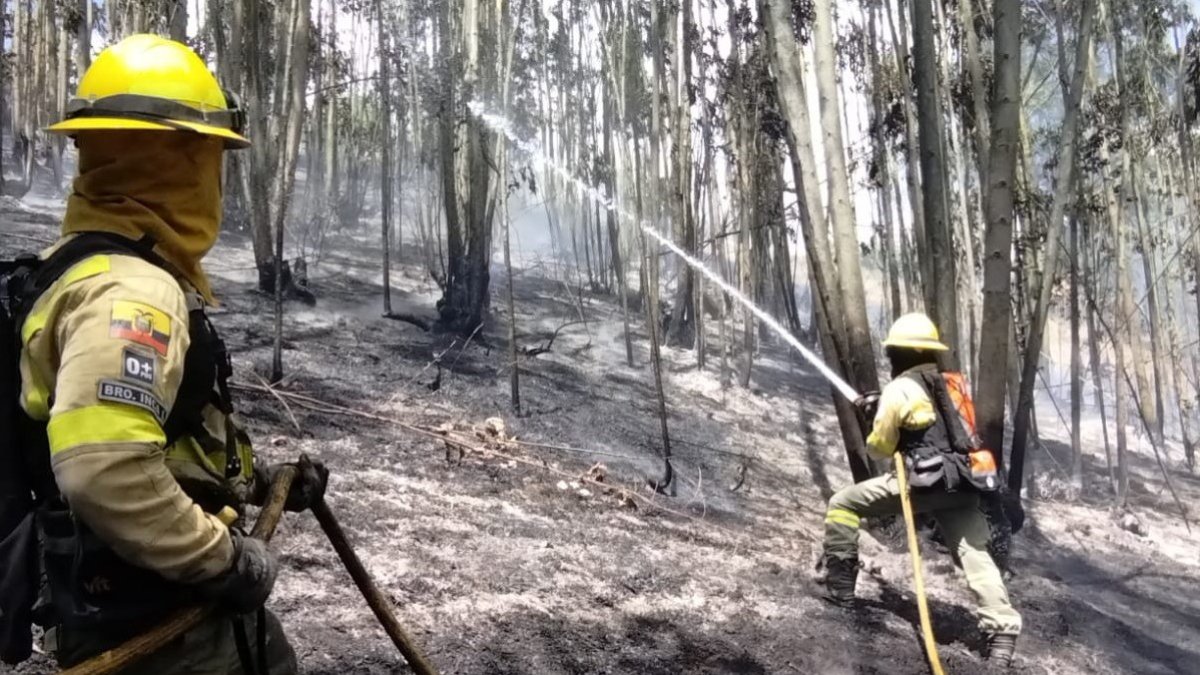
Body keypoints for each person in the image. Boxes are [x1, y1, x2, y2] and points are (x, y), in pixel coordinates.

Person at [16, 34, 325, 673]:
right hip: (157, 619)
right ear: (180, 160)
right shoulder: (133, 289)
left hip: (123, 595)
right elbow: (104, 466)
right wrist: (222, 558)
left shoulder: (75, 268)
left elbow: (154, 431)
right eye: (210, 156)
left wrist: (262, 482)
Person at [820, 313, 1021, 666]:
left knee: (842, 504)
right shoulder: (955, 385)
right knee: (974, 553)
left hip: (922, 485)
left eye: (891, 352)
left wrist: (875, 416)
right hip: (964, 484)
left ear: (899, 353)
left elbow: (880, 448)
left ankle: (840, 592)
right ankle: (1002, 633)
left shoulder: (899, 389)